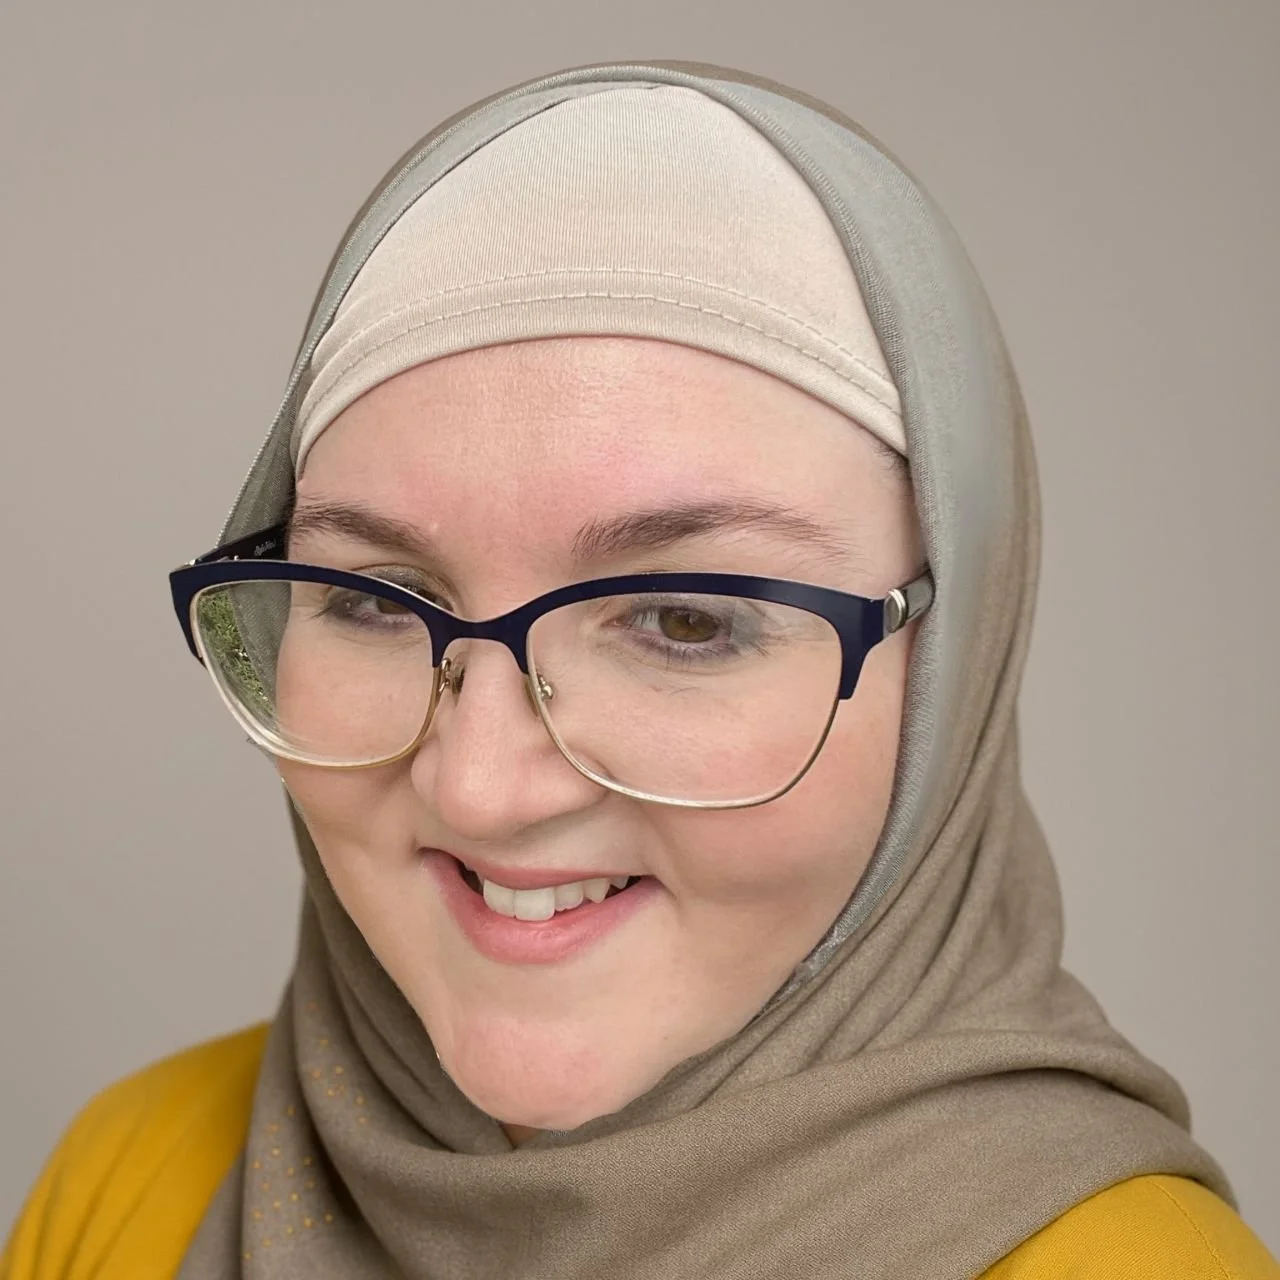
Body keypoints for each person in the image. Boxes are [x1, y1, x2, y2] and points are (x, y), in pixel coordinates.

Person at [4, 60, 1276, 1280]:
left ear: (950, 667)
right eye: (370, 599)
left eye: (680, 621)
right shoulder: (138, 1177)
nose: (481, 786)